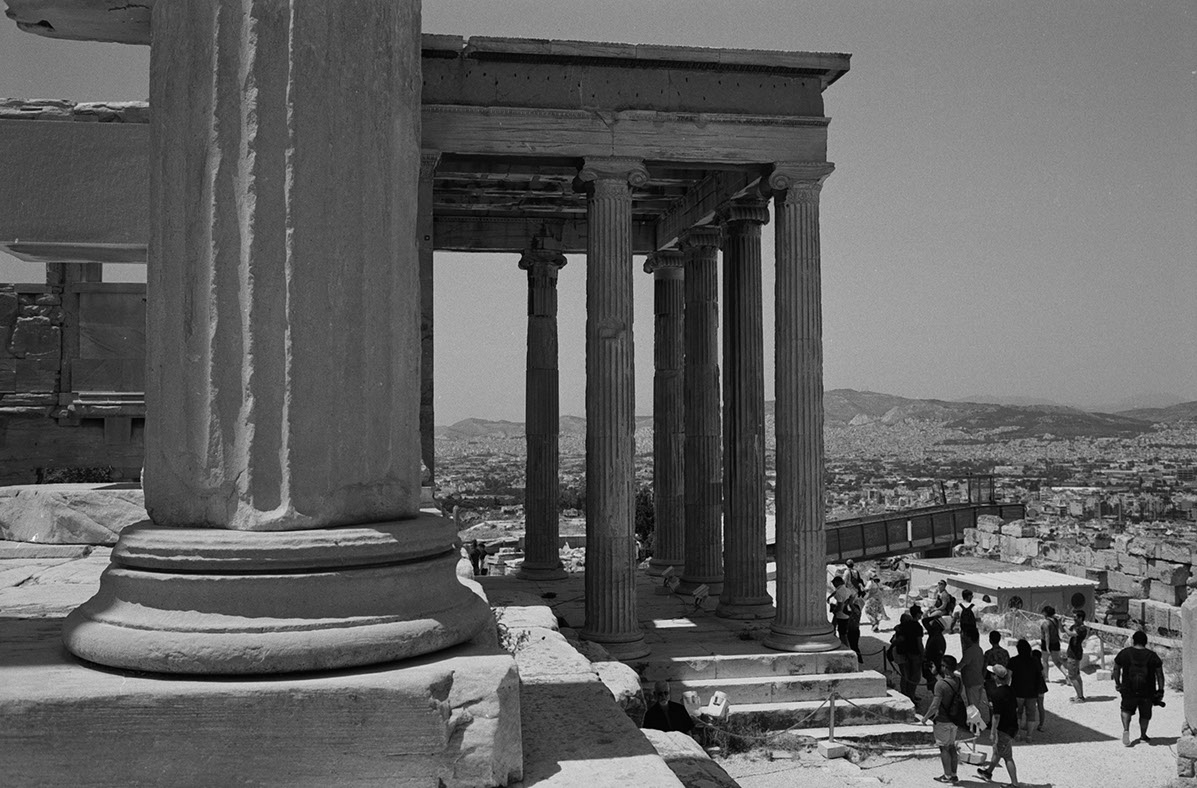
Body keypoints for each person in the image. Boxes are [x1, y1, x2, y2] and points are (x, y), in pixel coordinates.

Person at [1112, 630, 1165, 746]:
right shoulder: (1152, 656)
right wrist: (1161, 690)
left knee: (1126, 709)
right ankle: (1143, 735)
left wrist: (1117, 683)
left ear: (1133, 641)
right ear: (1146, 642)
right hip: (1147, 691)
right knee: (1145, 713)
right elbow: (1160, 675)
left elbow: (1116, 669)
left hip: (1128, 688)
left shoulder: (1124, 653)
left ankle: (1126, 729)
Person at [918, 654, 964, 784]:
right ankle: (954, 774)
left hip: (942, 719)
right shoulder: (959, 681)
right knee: (952, 747)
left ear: (945, 667)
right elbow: (947, 687)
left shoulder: (940, 685)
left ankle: (947, 775)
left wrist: (925, 718)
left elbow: (934, 705)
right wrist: (936, 675)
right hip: (954, 719)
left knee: (943, 748)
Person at [978, 664, 1021, 787]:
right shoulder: (1010, 690)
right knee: (998, 751)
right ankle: (988, 772)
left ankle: (1014, 784)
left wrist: (992, 732)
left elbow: (996, 716)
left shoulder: (996, 693)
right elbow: (1013, 707)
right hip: (1012, 725)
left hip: (1004, 728)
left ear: (996, 677)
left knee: (1007, 756)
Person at [1007, 639, 1039, 742]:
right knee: (1031, 715)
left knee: (1017, 713)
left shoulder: (1013, 661)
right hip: (1032, 692)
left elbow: (1009, 677)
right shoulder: (1034, 661)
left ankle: (1018, 735)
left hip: (1017, 691)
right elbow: (1040, 675)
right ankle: (1029, 736)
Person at [959, 624, 989, 727]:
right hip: (978, 680)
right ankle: (976, 724)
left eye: (965, 636)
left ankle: (975, 726)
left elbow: (961, 665)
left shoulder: (969, 651)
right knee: (975, 704)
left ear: (970, 637)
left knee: (972, 706)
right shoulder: (978, 649)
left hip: (972, 681)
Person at [894, 606, 926, 701]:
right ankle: (911, 695)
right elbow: (919, 642)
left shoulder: (906, 625)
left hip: (906, 653)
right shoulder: (917, 627)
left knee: (908, 675)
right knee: (915, 677)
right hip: (915, 653)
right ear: (917, 614)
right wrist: (923, 654)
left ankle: (908, 694)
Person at [1065, 610, 1089, 702]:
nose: (1074, 618)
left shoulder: (1082, 628)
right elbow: (1066, 632)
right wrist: (1060, 623)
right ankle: (1080, 695)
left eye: (1075, 617)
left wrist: (1063, 625)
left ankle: (1080, 697)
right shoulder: (1075, 626)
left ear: (1080, 618)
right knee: (1077, 675)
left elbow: (1070, 634)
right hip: (1073, 652)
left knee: (1072, 676)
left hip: (1075, 654)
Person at [1039, 606, 1066, 682]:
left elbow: (1047, 636)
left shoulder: (1045, 623)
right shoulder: (1056, 621)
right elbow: (1061, 630)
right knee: (1057, 661)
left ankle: (1046, 677)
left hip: (1046, 643)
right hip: (1056, 642)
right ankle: (1066, 674)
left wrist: (1047, 647)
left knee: (1045, 661)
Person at [983, 630, 1011, 700]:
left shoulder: (988, 653)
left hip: (991, 681)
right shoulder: (1005, 652)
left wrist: (982, 679)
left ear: (990, 640)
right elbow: (1008, 666)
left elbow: (984, 668)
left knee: (992, 701)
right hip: (1004, 679)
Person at [923, 615, 947, 694]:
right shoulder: (933, 633)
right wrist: (934, 617)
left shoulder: (938, 639)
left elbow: (939, 656)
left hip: (934, 666)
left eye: (934, 624)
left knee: (935, 687)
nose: (932, 625)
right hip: (930, 664)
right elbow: (925, 621)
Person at [1030, 648, 1048, 732]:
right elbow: (1044, 676)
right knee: (1041, 706)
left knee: (1032, 707)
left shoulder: (1031, 665)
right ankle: (1041, 724)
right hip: (1041, 687)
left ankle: (1030, 724)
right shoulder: (1041, 666)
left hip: (1033, 688)